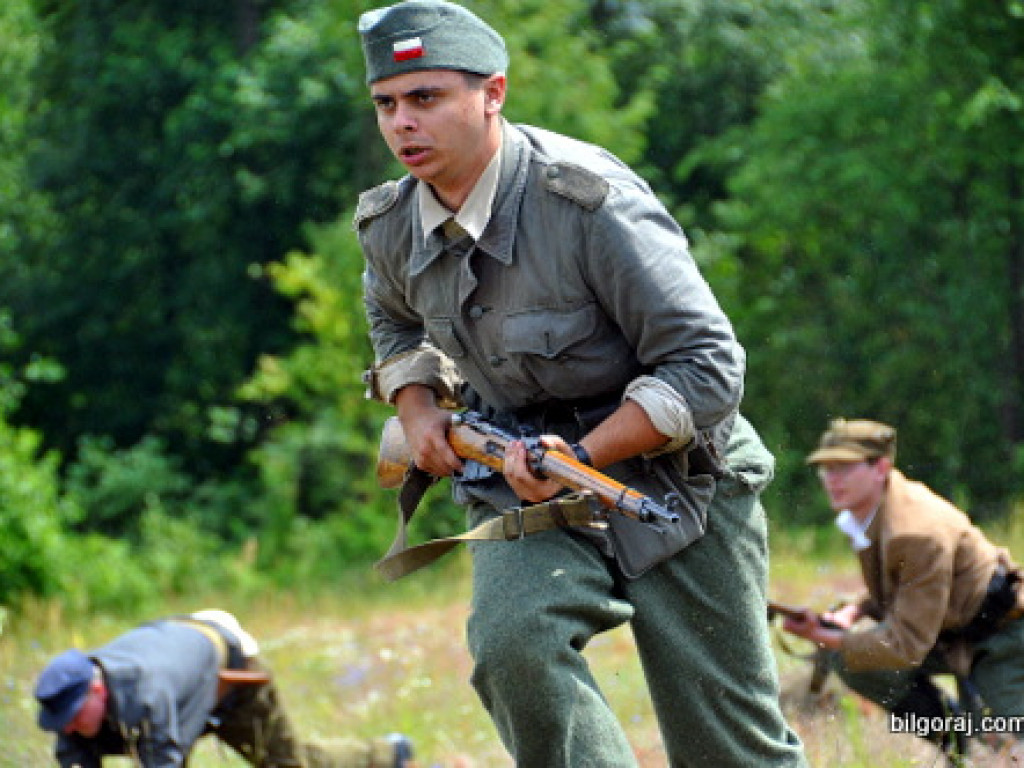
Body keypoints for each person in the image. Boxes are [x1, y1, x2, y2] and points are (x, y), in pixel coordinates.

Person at [354, 2, 808, 765]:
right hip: (516, 466)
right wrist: (419, 405)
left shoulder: (588, 202)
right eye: (387, 104)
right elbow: (392, 318)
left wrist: (586, 453)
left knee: (725, 744)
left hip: (678, 480)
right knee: (513, 650)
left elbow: (709, 366)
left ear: (492, 93)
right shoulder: (389, 223)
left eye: (426, 98)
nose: (403, 123)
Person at [783, 418, 1024, 762]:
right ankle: (958, 743)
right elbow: (902, 587)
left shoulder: (916, 531)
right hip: (948, 634)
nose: (831, 479)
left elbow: (906, 645)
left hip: (1003, 639)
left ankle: (974, 735)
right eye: (826, 468)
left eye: (844, 468)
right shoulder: (870, 511)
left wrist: (826, 635)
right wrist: (853, 611)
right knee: (854, 660)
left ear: (880, 467)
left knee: (1013, 749)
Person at [34, 609, 414, 768]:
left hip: (230, 676)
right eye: (60, 722)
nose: (67, 728)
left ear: (97, 691)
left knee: (290, 763)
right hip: (185, 676)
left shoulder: (146, 696)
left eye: (72, 717)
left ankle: (388, 753)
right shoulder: (74, 708)